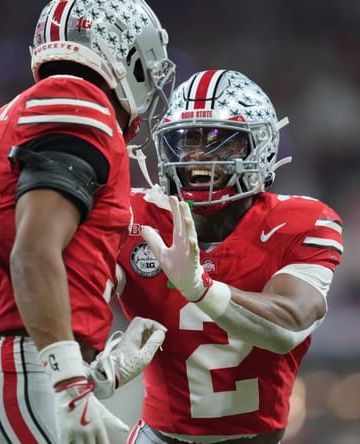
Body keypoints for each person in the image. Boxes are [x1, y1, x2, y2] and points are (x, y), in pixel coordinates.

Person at [0, 0, 176, 443]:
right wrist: (70, 385)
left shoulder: (27, 112)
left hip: (25, 375)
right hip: (30, 378)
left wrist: (95, 373)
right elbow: (33, 254)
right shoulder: (76, 101)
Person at [116, 70, 344, 443]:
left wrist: (200, 288)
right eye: (186, 140)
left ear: (260, 146)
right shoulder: (133, 216)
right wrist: (87, 370)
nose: (197, 157)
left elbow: (288, 326)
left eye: (221, 141)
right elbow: (76, 290)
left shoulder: (300, 222)